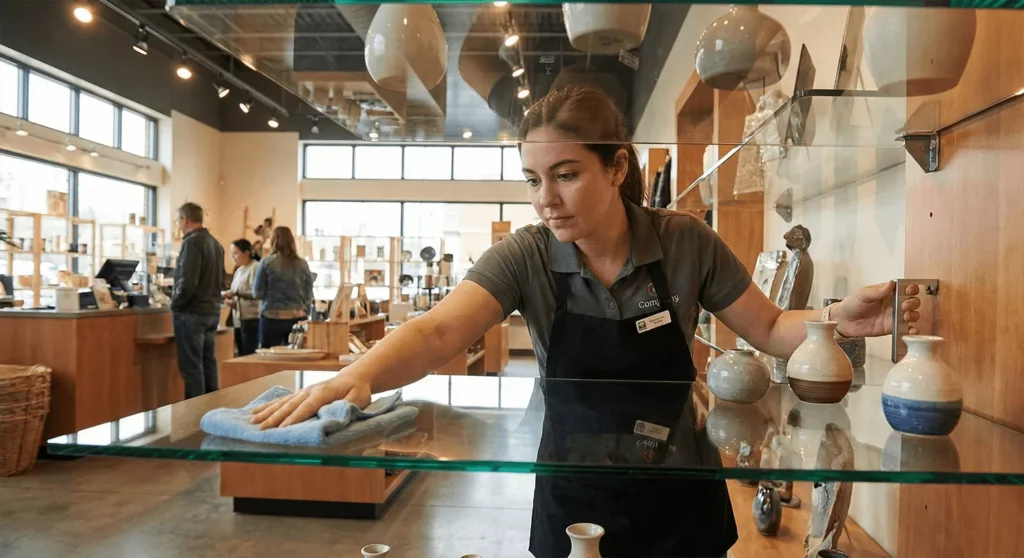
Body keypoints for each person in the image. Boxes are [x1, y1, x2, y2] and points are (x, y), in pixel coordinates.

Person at [249, 87, 920, 557]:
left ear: (617, 166)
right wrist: (355, 375)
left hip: (680, 494)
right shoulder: (526, 256)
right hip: (573, 495)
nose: (545, 199)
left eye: (565, 175)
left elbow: (771, 328)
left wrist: (838, 320)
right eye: (533, 178)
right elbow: (438, 331)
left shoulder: (685, 243)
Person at [171, 202, 225, 400]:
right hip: (211, 311)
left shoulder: (192, 243)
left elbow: (187, 282)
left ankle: (193, 418)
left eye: (178, 221)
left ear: (185, 219)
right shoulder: (215, 244)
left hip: (191, 313)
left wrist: (175, 305)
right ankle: (211, 411)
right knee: (208, 363)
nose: (178, 225)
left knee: (192, 368)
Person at [252, 226, 314, 348]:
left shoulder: (266, 262)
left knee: (269, 357)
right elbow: (309, 292)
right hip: (297, 317)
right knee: (295, 357)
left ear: (273, 241)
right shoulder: (302, 264)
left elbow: (257, 293)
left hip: (271, 317)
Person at [223, 239, 260, 356]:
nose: (233, 257)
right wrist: (230, 301)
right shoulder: (239, 271)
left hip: (252, 318)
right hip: (238, 319)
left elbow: (256, 293)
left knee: (250, 353)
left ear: (246, 252)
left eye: (236, 253)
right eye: (231, 254)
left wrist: (236, 293)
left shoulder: (255, 267)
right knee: (241, 353)